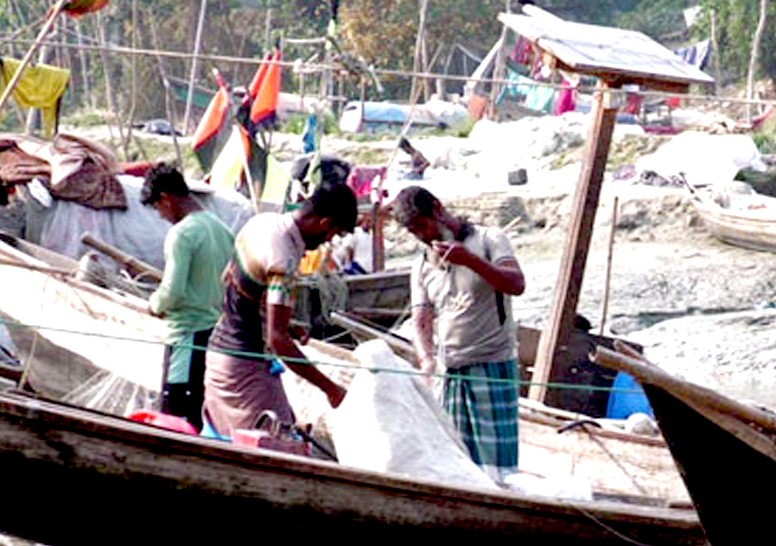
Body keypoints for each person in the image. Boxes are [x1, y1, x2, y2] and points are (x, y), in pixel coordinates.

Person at [202, 184, 356, 443]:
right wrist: (331, 389)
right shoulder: (284, 258)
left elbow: (236, 285)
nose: (327, 243)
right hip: (245, 370)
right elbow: (278, 341)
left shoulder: (262, 222)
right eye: (333, 234)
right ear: (324, 223)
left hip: (219, 355)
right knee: (279, 448)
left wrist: (285, 323)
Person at [394, 186, 526, 476]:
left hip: (492, 364)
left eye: (422, 225)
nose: (421, 235)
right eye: (413, 231)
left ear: (438, 209)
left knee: (497, 467)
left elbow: (516, 284)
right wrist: (426, 359)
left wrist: (469, 260)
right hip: (449, 371)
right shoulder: (421, 265)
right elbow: (422, 319)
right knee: (455, 460)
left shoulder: (489, 240)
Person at [141, 165, 233, 427]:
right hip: (215, 335)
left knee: (177, 415)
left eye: (158, 208)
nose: (161, 216)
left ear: (166, 199)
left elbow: (173, 291)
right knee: (201, 411)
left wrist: (154, 303)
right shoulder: (220, 229)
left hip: (186, 335)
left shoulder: (181, 234)